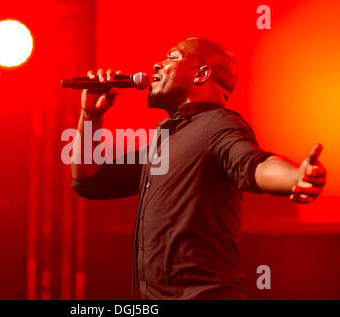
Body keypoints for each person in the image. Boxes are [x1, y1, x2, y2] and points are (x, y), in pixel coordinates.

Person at [70, 38, 327, 299]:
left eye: (172, 57)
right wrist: (90, 115)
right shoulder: (164, 142)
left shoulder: (218, 124)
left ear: (201, 74)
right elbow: (90, 180)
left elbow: (253, 164)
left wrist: (295, 177)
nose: (157, 64)